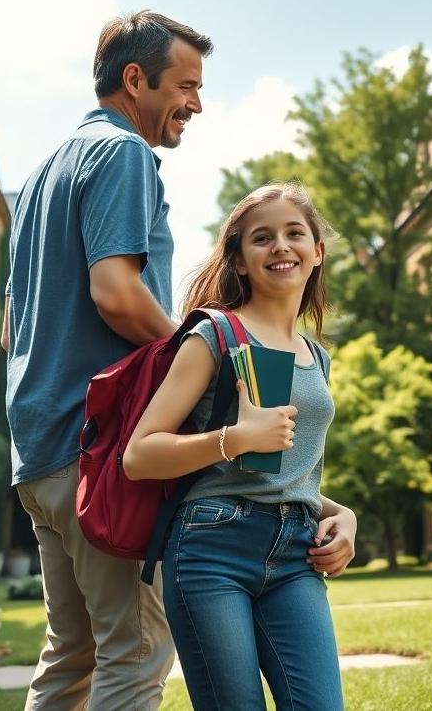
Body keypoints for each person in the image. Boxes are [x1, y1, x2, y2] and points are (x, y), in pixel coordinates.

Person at [1, 11, 213, 711]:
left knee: (72, 654)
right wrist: (201, 354)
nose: (196, 104)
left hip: (39, 455)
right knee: (136, 648)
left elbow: (10, 329)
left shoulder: (38, 179)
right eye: (185, 85)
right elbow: (118, 294)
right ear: (134, 80)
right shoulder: (122, 155)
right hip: (97, 451)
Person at [123, 182, 356, 711]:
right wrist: (236, 438)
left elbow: (289, 476)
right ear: (240, 260)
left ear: (317, 252)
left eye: (295, 234)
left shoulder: (315, 358)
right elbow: (140, 454)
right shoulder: (215, 335)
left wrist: (344, 516)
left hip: (296, 553)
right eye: (262, 238)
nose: (281, 246)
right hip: (212, 549)